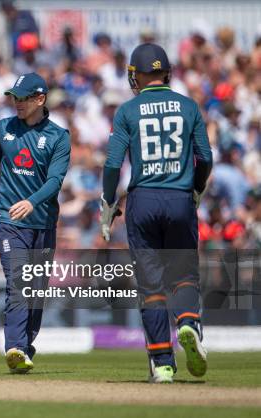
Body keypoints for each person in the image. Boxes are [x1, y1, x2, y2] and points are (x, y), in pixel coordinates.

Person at [101, 43, 213, 383]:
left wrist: (108, 204)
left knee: (150, 284)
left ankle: (163, 364)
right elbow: (205, 157)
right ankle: (189, 323)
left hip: (143, 200)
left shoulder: (128, 111)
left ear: (135, 75)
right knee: (183, 276)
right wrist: (195, 188)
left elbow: (111, 166)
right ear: (167, 72)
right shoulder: (189, 106)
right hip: (179, 198)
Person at [0, 73, 70, 373]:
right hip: (8, 222)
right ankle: (15, 346)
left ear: (40, 99)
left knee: (36, 290)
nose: (16, 103)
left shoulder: (59, 137)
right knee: (18, 282)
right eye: (14, 97)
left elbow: (56, 180)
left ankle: (26, 347)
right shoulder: (2, 129)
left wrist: (32, 201)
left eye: (23, 97)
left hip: (43, 225)